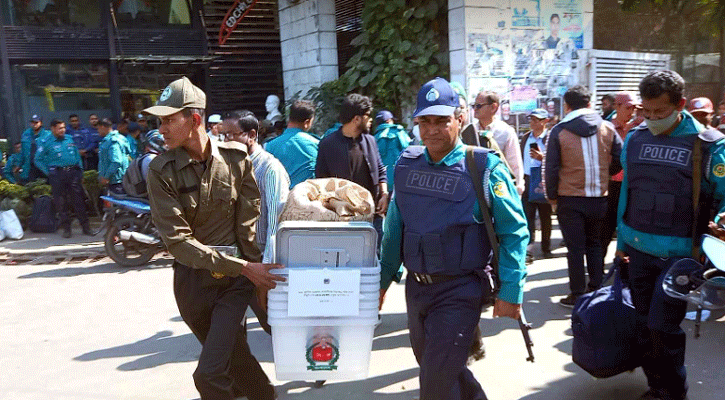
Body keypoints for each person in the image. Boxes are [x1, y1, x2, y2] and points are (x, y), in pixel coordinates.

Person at [379, 77, 528, 400]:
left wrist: (512, 290)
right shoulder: (406, 165)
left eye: (442, 120)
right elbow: (394, 230)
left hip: (460, 289)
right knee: (444, 370)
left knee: (434, 382)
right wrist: (382, 280)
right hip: (417, 290)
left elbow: (514, 232)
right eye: (425, 121)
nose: (432, 130)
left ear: (460, 119)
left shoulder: (484, 167)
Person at [144, 77, 283, 400]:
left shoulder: (236, 159)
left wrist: (256, 276)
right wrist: (245, 267)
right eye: (159, 121)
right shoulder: (161, 170)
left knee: (209, 375)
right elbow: (177, 242)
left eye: (168, 120)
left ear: (194, 120)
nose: (161, 129)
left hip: (235, 284)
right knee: (235, 359)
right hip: (194, 284)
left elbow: (247, 224)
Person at [615, 70, 725, 400]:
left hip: (681, 257)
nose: (651, 119)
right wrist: (621, 243)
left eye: (659, 113)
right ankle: (656, 388)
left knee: (663, 328)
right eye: (645, 112)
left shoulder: (710, 146)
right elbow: (627, 194)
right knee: (643, 326)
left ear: (679, 105)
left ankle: (674, 393)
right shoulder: (635, 139)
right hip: (638, 249)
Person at [544, 85, 622, 307]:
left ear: (567, 106)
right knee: (595, 244)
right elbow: (620, 157)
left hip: (569, 198)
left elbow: (551, 168)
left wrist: (552, 196)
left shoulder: (559, 131)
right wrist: (606, 175)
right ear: (590, 103)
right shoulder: (607, 128)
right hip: (599, 197)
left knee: (575, 248)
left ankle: (577, 293)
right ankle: (596, 288)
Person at [316, 94, 388, 250]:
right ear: (356, 119)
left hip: (372, 217)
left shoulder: (370, 141)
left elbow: (381, 170)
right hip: (342, 220)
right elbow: (320, 183)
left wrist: (384, 194)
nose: (370, 120)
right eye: (367, 116)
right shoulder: (327, 145)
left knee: (376, 261)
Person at [221, 110, 290, 262]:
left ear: (252, 135)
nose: (226, 141)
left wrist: (267, 263)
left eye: (231, 135)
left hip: (260, 258)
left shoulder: (269, 169)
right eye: (223, 135)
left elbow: (275, 222)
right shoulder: (230, 166)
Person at [601, 92, 643, 263]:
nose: (631, 112)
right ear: (617, 107)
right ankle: (597, 268)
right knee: (605, 229)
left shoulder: (640, 129)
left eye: (634, 108)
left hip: (632, 185)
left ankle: (625, 266)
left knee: (630, 227)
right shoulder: (606, 128)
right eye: (627, 108)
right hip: (611, 185)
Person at [34, 119, 91, 238]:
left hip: (73, 173)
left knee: (79, 201)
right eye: (60, 128)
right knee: (61, 202)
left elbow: (76, 155)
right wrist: (49, 172)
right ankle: (67, 229)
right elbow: (37, 159)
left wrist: (80, 171)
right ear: (53, 129)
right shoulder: (46, 142)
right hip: (57, 175)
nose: (63, 130)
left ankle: (86, 227)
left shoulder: (69, 138)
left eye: (64, 127)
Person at [469, 90, 525, 195]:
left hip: (499, 190)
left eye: (479, 106)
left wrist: (517, 189)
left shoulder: (505, 132)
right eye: (473, 106)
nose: (475, 109)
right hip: (474, 190)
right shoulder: (469, 131)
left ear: (493, 107)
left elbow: (515, 164)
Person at [520, 108, 552, 263]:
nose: (532, 122)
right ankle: (529, 250)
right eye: (531, 119)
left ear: (545, 121)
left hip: (544, 180)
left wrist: (542, 158)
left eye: (536, 119)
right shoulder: (526, 138)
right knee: (528, 216)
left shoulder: (551, 138)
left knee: (546, 216)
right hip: (527, 179)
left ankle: (546, 247)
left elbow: (556, 160)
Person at [266, 100, 318, 188]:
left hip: (281, 198)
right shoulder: (315, 143)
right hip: (308, 197)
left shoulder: (270, 145)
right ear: (307, 123)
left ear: (289, 118)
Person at [374, 109, 410, 192]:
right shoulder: (398, 131)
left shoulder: (373, 138)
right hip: (400, 178)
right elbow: (408, 149)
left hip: (382, 182)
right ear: (389, 120)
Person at [97, 118, 130, 195]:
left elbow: (116, 161)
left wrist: (106, 177)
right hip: (121, 179)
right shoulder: (121, 138)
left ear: (102, 127)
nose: (98, 131)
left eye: (98, 128)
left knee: (118, 205)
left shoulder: (112, 141)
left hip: (116, 181)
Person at [20, 114, 51, 183]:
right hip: (30, 166)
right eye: (32, 122)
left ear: (41, 123)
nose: (34, 124)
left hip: (43, 165)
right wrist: (19, 164)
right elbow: (22, 151)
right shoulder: (26, 134)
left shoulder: (48, 135)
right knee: (32, 186)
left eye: (36, 122)